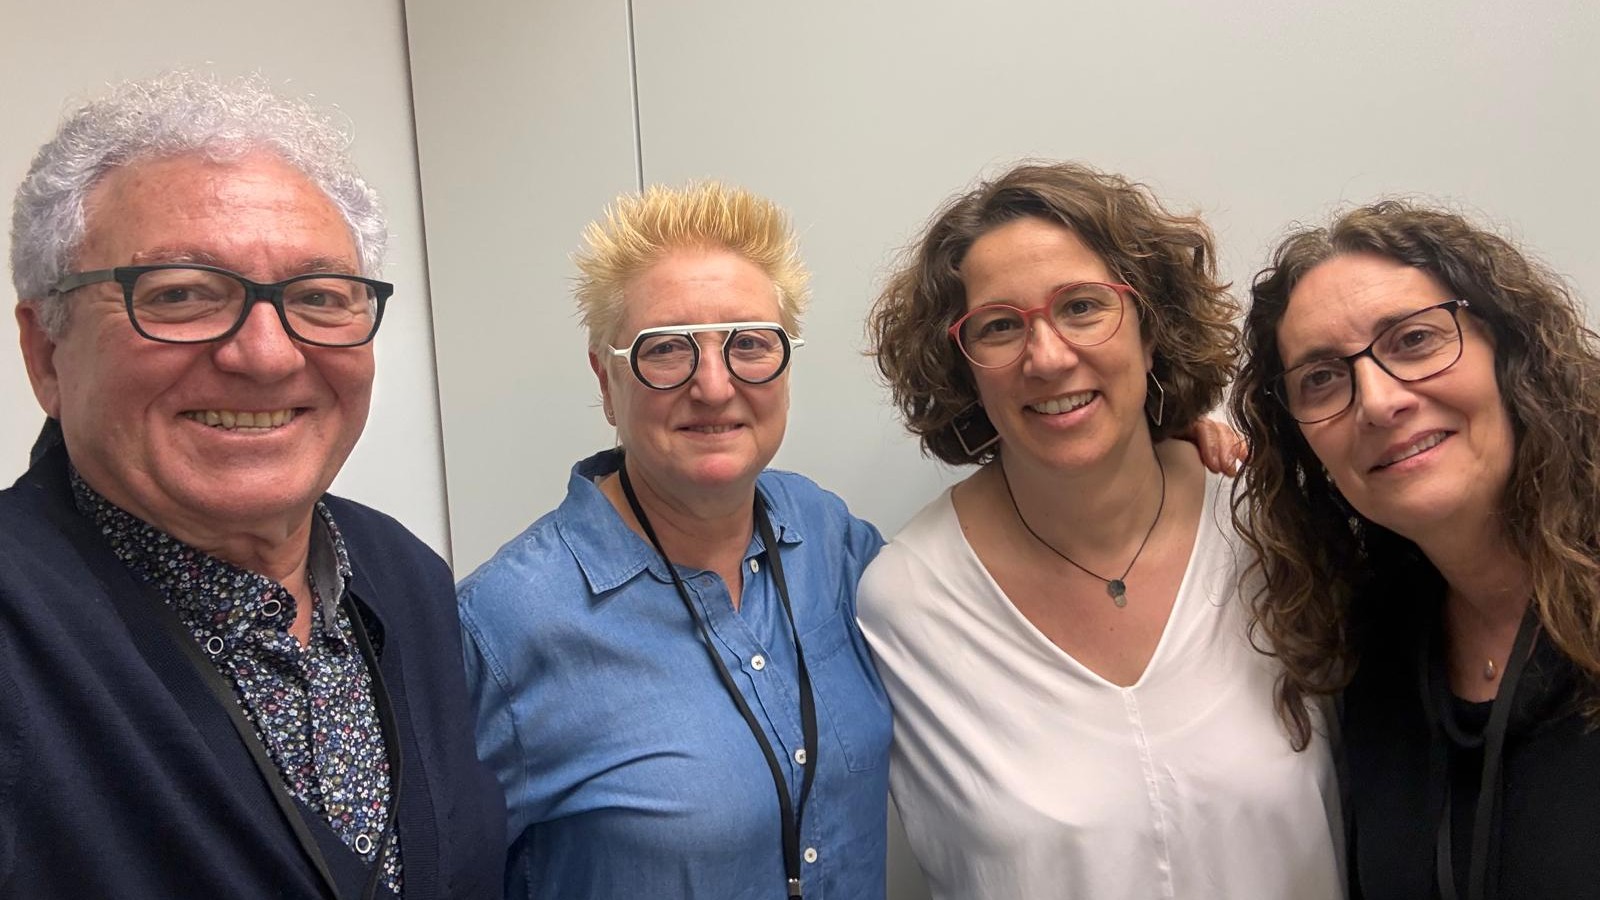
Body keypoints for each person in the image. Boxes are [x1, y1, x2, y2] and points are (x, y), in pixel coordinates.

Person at [0, 72, 505, 898]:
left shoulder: (404, 576)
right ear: (46, 353)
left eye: (319, 297)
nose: (267, 355)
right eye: (181, 294)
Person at [859, 161, 1344, 899]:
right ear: (964, 371)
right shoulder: (906, 604)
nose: (1048, 357)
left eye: (1083, 307)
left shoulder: (1272, 526)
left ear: (1152, 330)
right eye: (999, 326)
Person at [458, 181, 891, 899]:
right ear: (606, 380)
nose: (715, 387)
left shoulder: (827, 537)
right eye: (665, 350)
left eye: (749, 344)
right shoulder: (501, 629)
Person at [1232, 200, 1600, 900]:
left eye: (1414, 340)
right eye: (1321, 378)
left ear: (1512, 352)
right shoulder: (1370, 649)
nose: (1377, 401)